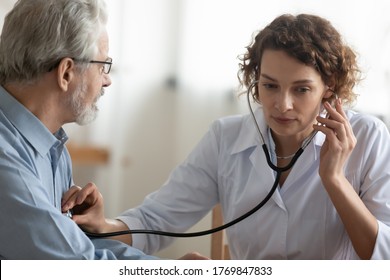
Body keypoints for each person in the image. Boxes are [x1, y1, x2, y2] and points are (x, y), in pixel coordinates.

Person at [61, 14, 390, 259]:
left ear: (328, 87)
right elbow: (155, 220)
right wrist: (103, 226)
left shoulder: (369, 137)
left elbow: (384, 259)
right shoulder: (226, 138)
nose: (282, 104)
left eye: (302, 89)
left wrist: (334, 179)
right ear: (255, 78)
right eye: (270, 85)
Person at [0, 0, 206, 260]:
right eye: (102, 66)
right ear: (66, 73)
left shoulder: (51, 146)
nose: (107, 80)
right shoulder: (6, 159)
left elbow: (77, 246)